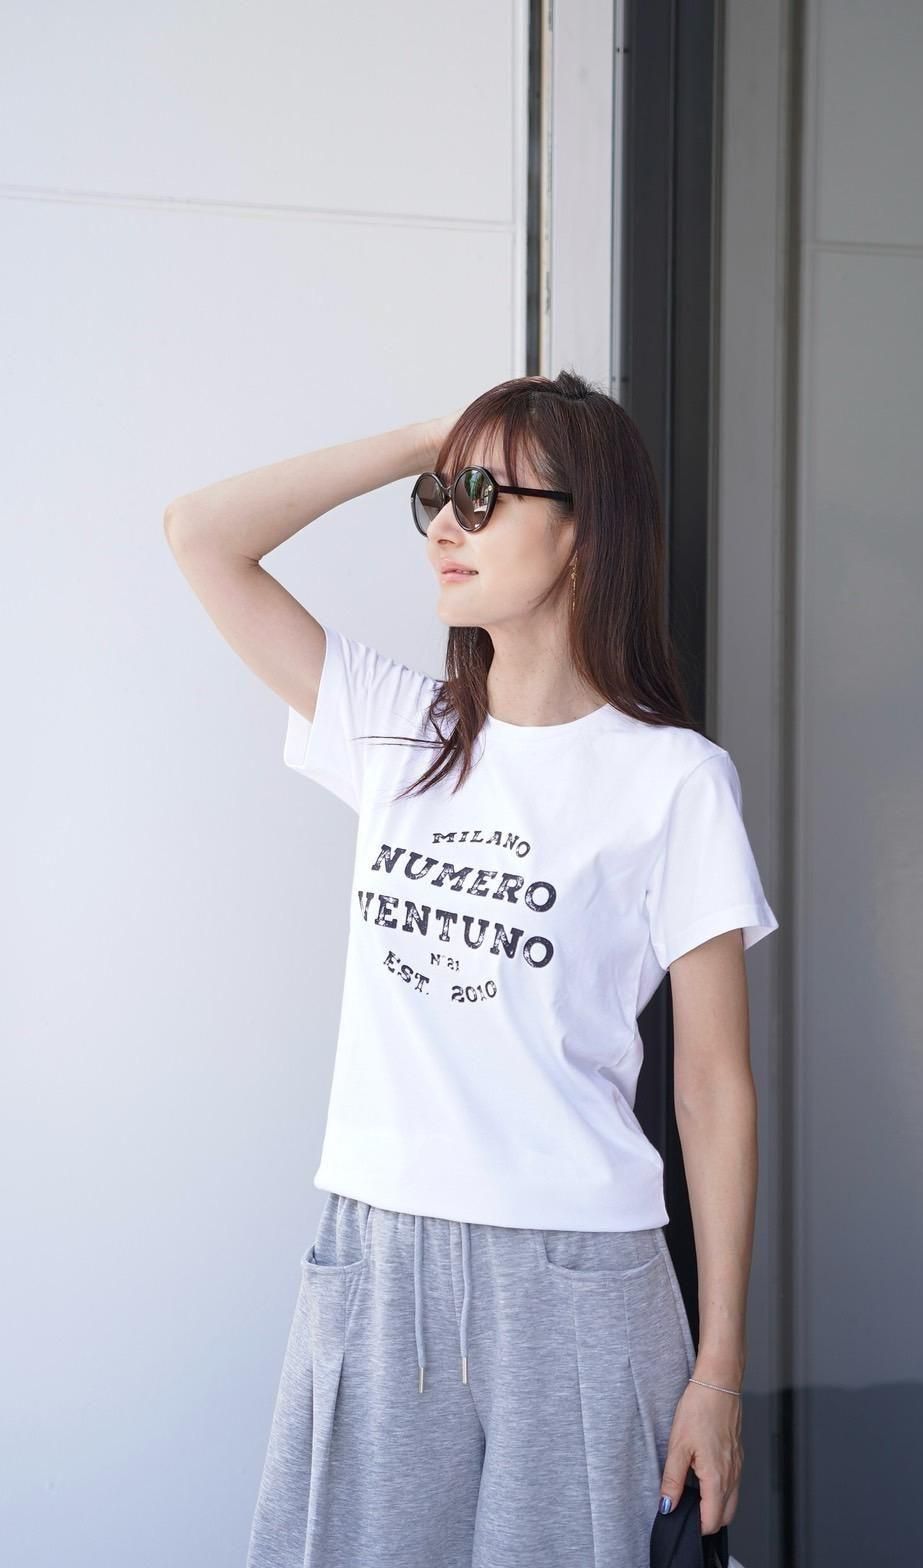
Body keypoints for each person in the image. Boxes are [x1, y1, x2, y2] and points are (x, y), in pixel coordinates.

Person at [164, 369, 778, 1567]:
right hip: (378, 1255)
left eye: (485, 495)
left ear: (585, 528)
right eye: (438, 496)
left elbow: (712, 1087)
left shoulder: (672, 781)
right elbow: (201, 534)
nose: (446, 522)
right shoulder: (400, 730)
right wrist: (419, 439)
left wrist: (718, 1370)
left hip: (578, 1275)